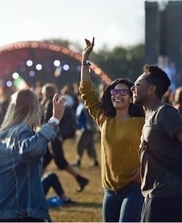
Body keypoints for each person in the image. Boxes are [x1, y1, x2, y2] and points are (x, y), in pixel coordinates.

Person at [79, 37, 145, 222]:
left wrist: (144, 169)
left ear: (132, 97)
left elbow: (155, 149)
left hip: (133, 189)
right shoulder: (104, 119)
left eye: (124, 92)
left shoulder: (142, 122)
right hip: (109, 190)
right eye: (114, 92)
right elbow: (86, 91)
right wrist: (85, 59)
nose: (118, 95)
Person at [0, 88, 66, 222]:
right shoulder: (22, 131)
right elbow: (31, 149)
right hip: (21, 211)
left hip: (2, 210)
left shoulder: (1, 135)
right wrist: (54, 120)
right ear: (34, 109)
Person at [131, 64, 182, 222]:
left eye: (137, 84)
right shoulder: (150, 114)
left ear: (151, 89)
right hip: (153, 194)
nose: (133, 88)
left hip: (166, 197)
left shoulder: (164, 113)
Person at [41, 83, 89, 192]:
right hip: (55, 135)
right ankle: (34, 182)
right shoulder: (57, 101)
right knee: (45, 159)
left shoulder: (50, 103)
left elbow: (50, 121)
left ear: (48, 92)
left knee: (60, 161)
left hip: (54, 136)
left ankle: (80, 178)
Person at [73, 94, 99, 167]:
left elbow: (90, 119)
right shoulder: (80, 106)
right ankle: (95, 161)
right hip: (83, 129)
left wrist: (91, 127)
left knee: (80, 144)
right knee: (89, 146)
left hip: (86, 130)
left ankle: (78, 161)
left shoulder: (86, 108)